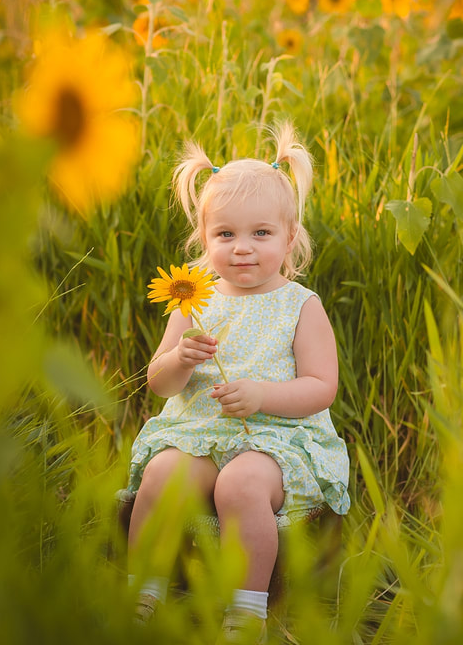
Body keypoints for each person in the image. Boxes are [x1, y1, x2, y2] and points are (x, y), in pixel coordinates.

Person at [126, 122, 350, 643]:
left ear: (289, 237)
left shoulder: (301, 305)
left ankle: (245, 613)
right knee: (161, 475)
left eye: (261, 234)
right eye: (225, 234)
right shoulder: (192, 297)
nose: (242, 248)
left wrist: (263, 395)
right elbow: (158, 384)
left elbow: (322, 386)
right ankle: (142, 592)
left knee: (242, 485)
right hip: (197, 435)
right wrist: (179, 358)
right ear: (204, 239)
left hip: (274, 442)